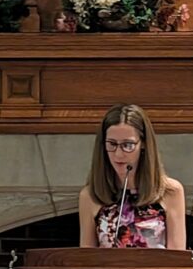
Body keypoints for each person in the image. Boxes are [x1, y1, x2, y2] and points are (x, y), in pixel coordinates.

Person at [79, 103, 186, 250]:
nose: (118, 154)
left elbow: (178, 259)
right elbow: (85, 261)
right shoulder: (89, 195)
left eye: (128, 145)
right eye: (112, 144)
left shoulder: (171, 191)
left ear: (143, 144)